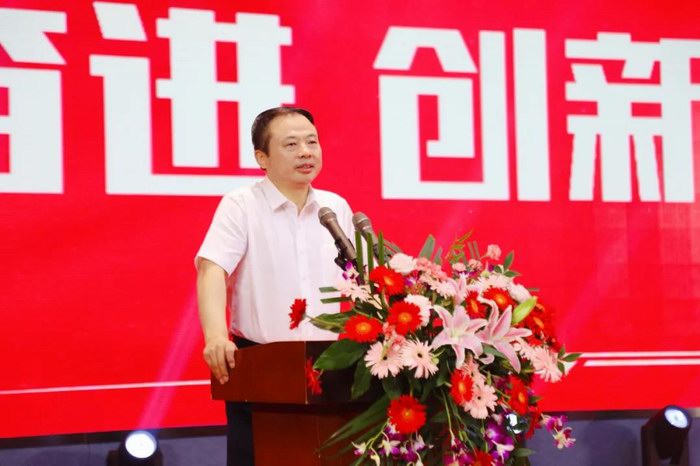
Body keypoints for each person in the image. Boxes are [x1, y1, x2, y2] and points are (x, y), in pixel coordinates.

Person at [194, 107, 354, 466]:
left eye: (312, 142)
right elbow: (211, 269)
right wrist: (215, 338)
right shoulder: (242, 205)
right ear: (262, 158)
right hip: (262, 368)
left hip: (328, 369)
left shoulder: (334, 207)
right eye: (291, 144)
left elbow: (357, 279)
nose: (306, 152)